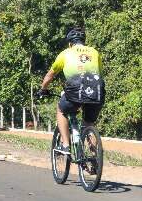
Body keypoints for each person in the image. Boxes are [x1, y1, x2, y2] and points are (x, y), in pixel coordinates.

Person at [38, 27, 105, 155]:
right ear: (83, 41)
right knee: (89, 122)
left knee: (61, 110)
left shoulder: (65, 53)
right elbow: (99, 74)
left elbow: (50, 75)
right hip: (97, 91)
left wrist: (43, 89)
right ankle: (95, 156)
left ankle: (65, 145)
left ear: (70, 43)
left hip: (75, 91)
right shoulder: (95, 52)